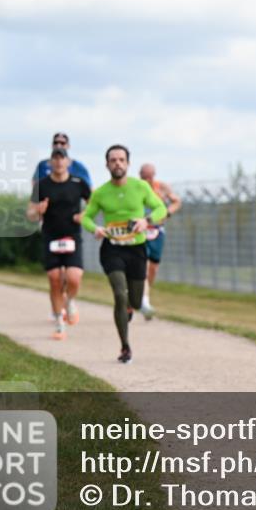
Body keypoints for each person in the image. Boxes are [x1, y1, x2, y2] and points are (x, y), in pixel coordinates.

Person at [81, 145, 167, 363]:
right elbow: (86, 217)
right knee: (120, 293)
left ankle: (131, 307)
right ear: (107, 164)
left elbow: (161, 209)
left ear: (128, 164)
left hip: (137, 249)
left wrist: (145, 221)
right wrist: (96, 229)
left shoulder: (140, 187)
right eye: (113, 160)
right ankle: (125, 347)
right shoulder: (100, 192)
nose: (117, 163)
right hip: (112, 249)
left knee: (136, 302)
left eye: (121, 160)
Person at [27, 147, 91, 340]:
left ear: (68, 162)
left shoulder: (79, 183)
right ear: (50, 163)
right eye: (54, 159)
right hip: (50, 236)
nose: (58, 162)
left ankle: (70, 301)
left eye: (61, 158)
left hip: (72, 236)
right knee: (54, 279)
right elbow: (29, 214)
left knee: (74, 277)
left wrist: (84, 215)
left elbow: (94, 206)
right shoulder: (41, 185)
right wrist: (38, 210)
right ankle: (60, 324)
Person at [137, 163, 182, 320]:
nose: (147, 179)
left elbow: (177, 201)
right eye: (144, 176)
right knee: (144, 264)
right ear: (140, 175)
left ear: (154, 175)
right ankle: (144, 301)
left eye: (150, 176)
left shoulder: (161, 187)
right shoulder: (137, 188)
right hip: (141, 230)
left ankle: (144, 294)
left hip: (157, 231)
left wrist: (167, 213)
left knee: (153, 267)